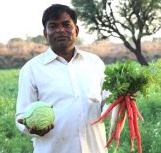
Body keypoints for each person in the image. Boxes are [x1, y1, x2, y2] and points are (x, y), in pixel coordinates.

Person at [15, 4, 135, 153]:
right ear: (45, 33)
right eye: (53, 26)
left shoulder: (95, 63)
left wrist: (122, 101)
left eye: (66, 24)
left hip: (94, 149)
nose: (60, 30)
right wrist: (30, 127)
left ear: (76, 30)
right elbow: (21, 115)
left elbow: (106, 106)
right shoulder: (31, 69)